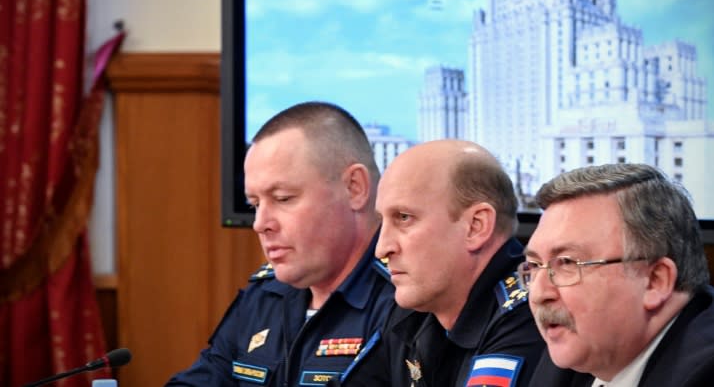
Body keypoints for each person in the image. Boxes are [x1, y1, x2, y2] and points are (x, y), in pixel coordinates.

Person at [166, 102, 395, 386]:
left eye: (283, 198)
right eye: (255, 204)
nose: (260, 224)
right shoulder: (263, 297)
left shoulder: (407, 299)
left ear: (354, 188)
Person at [522, 163, 714, 386]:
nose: (539, 293)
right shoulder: (580, 349)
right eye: (533, 266)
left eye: (566, 263)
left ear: (655, 281)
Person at [334, 139, 545, 386]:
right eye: (383, 221)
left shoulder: (530, 313)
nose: (382, 249)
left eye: (404, 218)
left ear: (476, 227)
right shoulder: (416, 305)